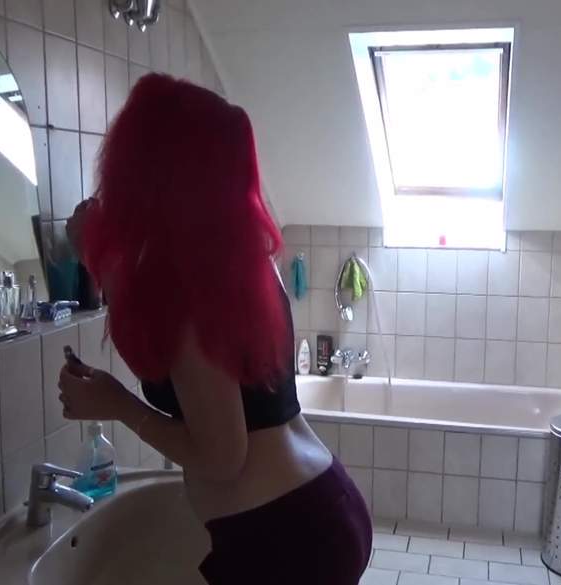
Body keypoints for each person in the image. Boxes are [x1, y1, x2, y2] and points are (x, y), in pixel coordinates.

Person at [58, 74, 372, 585]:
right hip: (318, 505)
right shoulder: (239, 260)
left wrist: (117, 403)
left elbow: (222, 458)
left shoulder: (186, 285)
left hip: (282, 533)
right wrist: (100, 256)